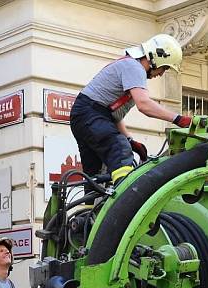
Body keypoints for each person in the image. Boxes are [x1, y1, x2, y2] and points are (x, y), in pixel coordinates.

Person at [69, 33, 190, 185]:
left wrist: (130, 140)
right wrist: (178, 119)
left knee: (95, 175)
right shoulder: (134, 67)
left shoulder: (130, 71)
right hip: (90, 114)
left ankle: (90, 208)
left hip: (85, 115)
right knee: (120, 151)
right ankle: (124, 203)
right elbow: (144, 104)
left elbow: (113, 117)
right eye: (164, 68)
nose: (161, 74)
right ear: (156, 57)